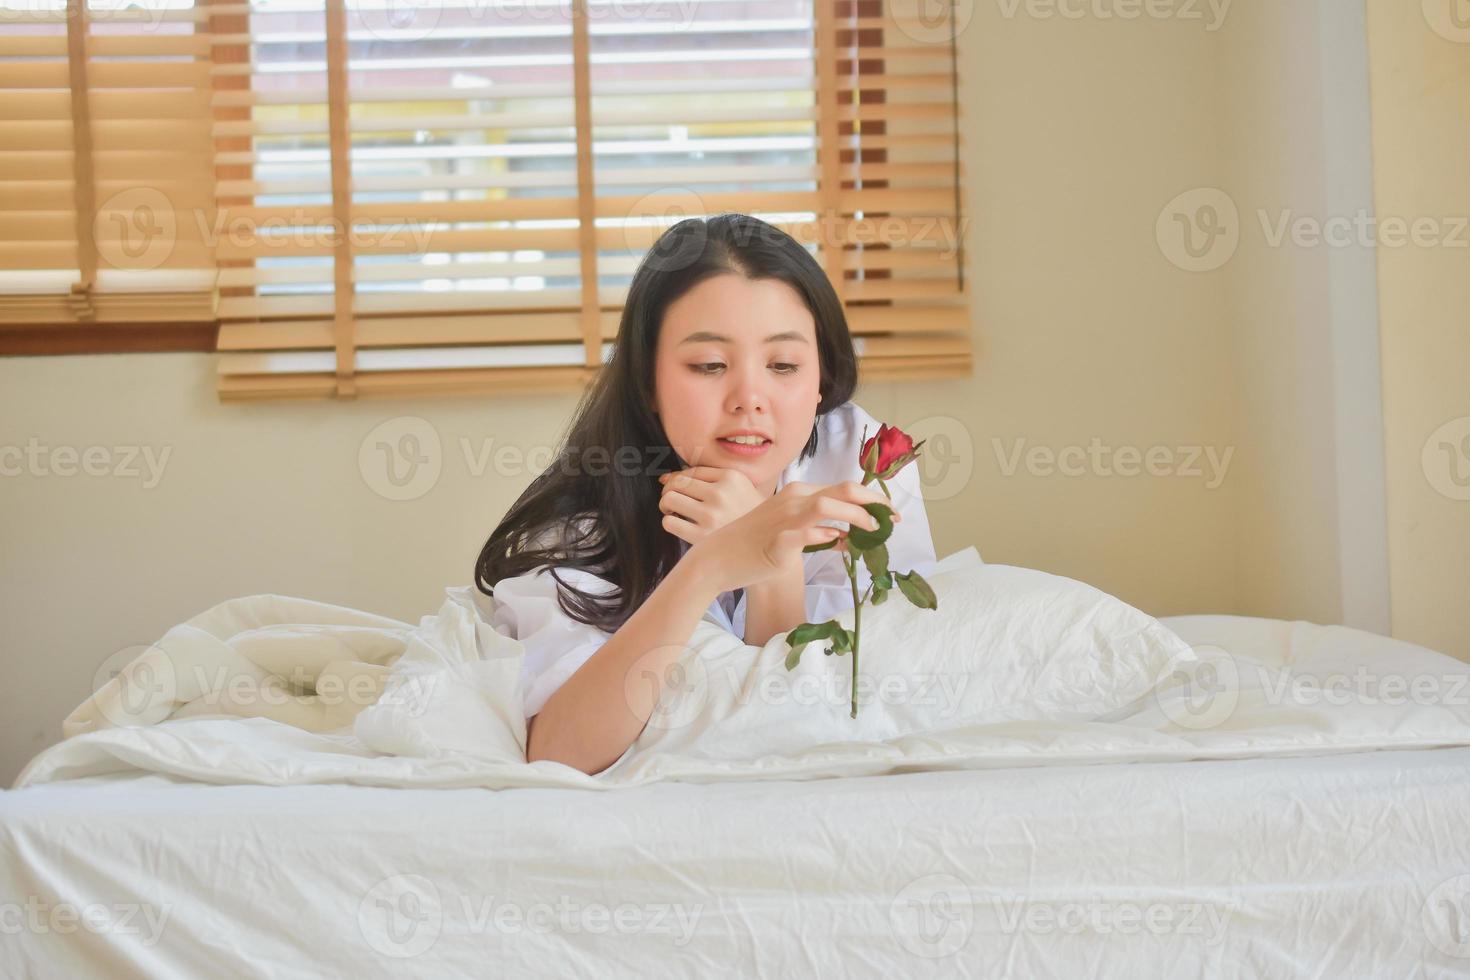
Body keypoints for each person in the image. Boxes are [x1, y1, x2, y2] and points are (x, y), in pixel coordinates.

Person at [474, 213, 937, 775]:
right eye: (709, 365)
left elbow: (813, 722)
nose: (750, 398)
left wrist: (775, 563)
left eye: (784, 365)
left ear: (821, 377)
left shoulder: (862, 465)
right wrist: (709, 568)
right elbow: (561, 753)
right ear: (647, 380)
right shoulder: (584, 523)